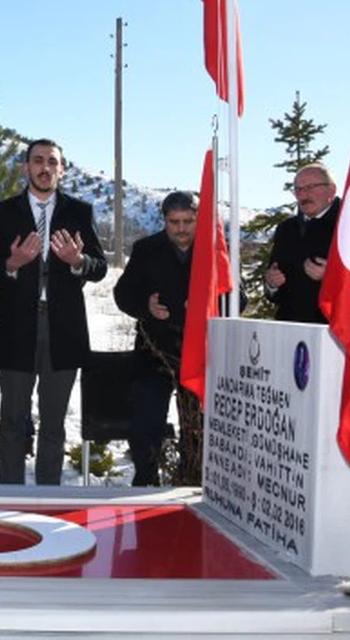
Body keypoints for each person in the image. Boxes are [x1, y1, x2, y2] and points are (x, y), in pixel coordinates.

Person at [0, 139, 107, 485]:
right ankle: (9, 494)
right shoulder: (2, 212)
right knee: (12, 421)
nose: (45, 167)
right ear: (25, 167)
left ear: (61, 169)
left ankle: (49, 495)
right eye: (38, 160)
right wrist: (12, 263)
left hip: (63, 329)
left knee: (54, 423)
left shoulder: (80, 211)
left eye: (52, 161)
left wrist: (78, 261)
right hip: (16, 327)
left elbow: (100, 268)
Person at [112, 192, 198, 487]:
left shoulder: (216, 251)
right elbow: (122, 295)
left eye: (188, 221)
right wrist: (145, 307)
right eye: (175, 222)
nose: (182, 229)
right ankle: (146, 482)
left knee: (197, 428)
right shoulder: (146, 249)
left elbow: (239, 297)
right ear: (164, 221)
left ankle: (193, 482)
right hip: (154, 352)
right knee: (146, 424)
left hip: (200, 353)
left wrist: (210, 306)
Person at [265, 163, 341, 323]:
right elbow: (273, 286)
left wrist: (331, 277)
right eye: (298, 190)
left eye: (311, 187)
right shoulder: (287, 229)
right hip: (289, 328)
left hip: (335, 331)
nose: (303, 195)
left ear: (332, 190)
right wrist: (272, 284)